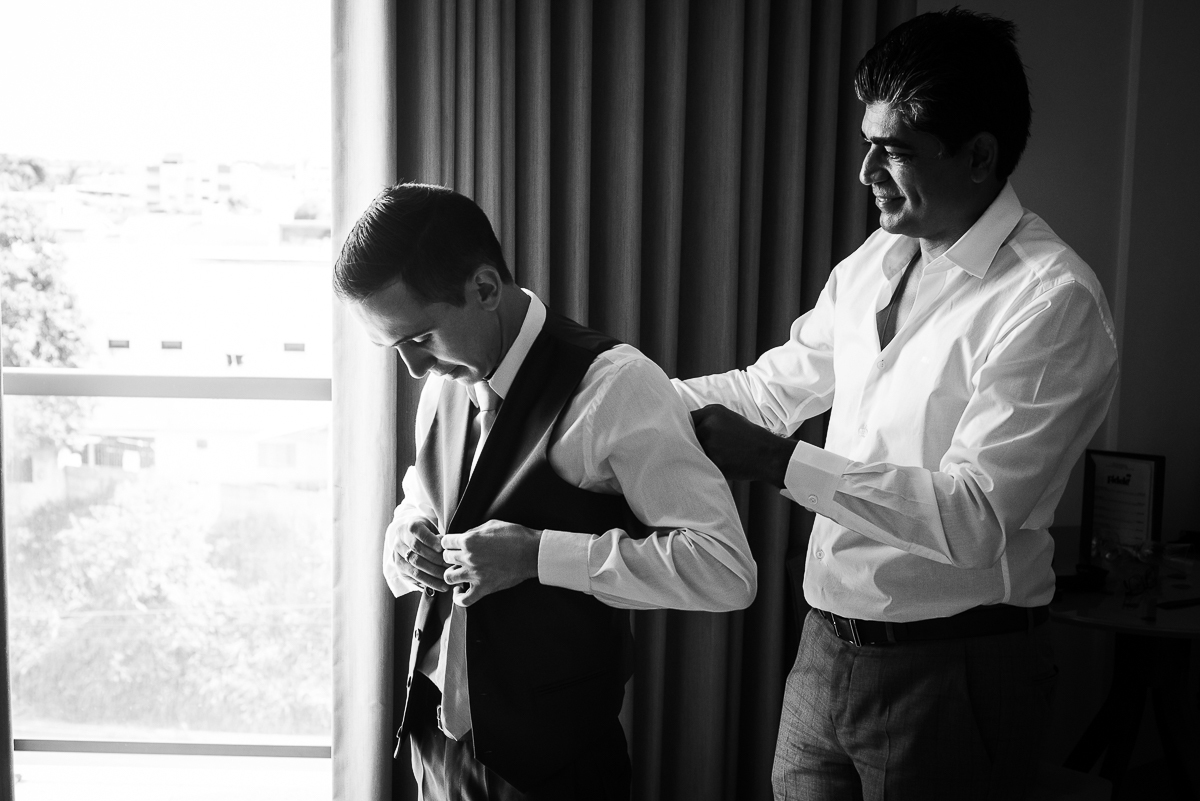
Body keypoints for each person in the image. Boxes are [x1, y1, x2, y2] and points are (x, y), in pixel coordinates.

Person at [674, 9, 1119, 800]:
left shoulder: (1052, 300)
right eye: (867, 142)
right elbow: (768, 389)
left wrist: (777, 462)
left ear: (979, 156)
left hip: (957, 668)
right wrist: (619, 394)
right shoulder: (878, 256)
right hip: (823, 649)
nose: (866, 172)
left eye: (896, 149)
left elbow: (974, 516)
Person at [334, 182, 756, 801]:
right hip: (437, 749)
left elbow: (725, 569)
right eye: (394, 348)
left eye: (419, 339)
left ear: (484, 288)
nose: (415, 369)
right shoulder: (445, 380)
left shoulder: (614, 385)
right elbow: (422, 501)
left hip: (555, 772)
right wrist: (406, 538)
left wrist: (537, 555)